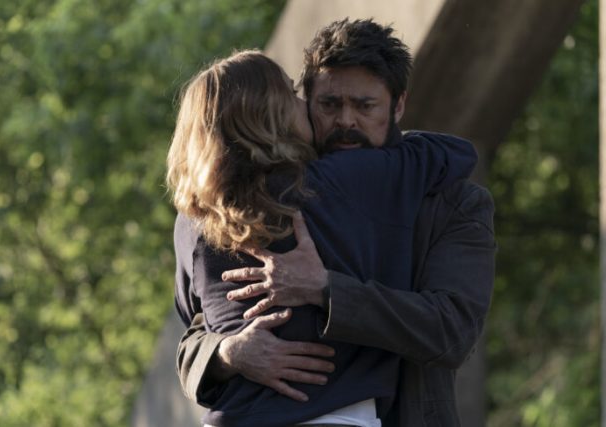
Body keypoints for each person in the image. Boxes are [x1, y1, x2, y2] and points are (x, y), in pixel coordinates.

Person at [175, 19, 496, 427]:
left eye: (365, 106)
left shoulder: (453, 203)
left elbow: (452, 330)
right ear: (305, 102)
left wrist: (326, 289)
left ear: (398, 106)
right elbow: (196, 331)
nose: (346, 121)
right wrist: (228, 352)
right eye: (329, 104)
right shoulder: (260, 195)